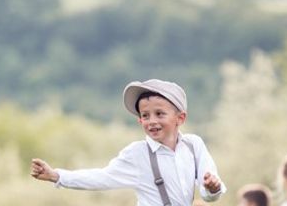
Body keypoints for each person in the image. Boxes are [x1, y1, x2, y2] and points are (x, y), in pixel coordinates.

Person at [30, 78, 226, 205]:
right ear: (139, 120)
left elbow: (210, 193)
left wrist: (212, 188)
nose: (152, 121)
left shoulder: (193, 145)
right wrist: (57, 176)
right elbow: (101, 177)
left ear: (180, 118)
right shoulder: (137, 153)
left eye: (159, 114)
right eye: (145, 116)